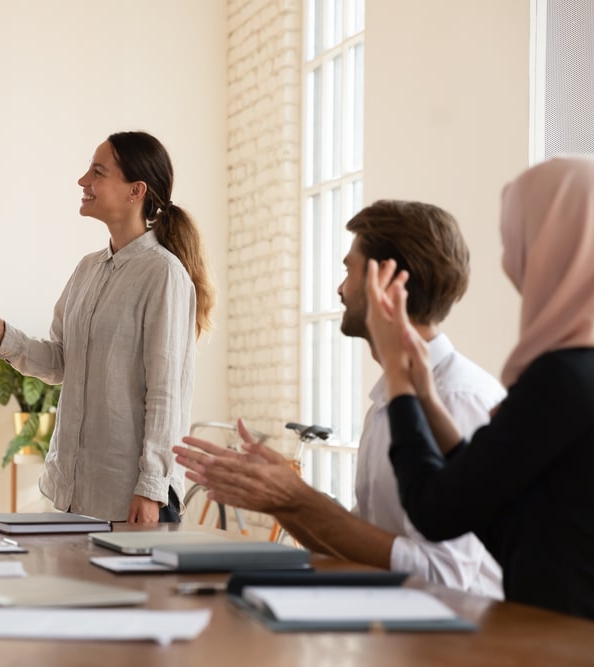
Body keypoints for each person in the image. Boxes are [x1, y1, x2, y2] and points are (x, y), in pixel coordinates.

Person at [175, 200, 505, 597]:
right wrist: (283, 499)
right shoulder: (385, 402)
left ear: (384, 284)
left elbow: (446, 577)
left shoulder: (460, 399)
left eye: (349, 269)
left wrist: (296, 499)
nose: (340, 288)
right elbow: (361, 540)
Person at [367, 156, 594, 624]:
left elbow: (436, 510)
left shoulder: (564, 380)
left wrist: (399, 376)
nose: (508, 260)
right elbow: (495, 513)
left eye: (519, 239)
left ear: (560, 245)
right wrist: (422, 390)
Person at [0, 131, 215, 522]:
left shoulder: (163, 274)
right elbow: (59, 361)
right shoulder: (87, 269)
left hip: (131, 500)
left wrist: (150, 490)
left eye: (97, 172)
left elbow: (168, 394)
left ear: (136, 191)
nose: (83, 180)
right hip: (75, 494)